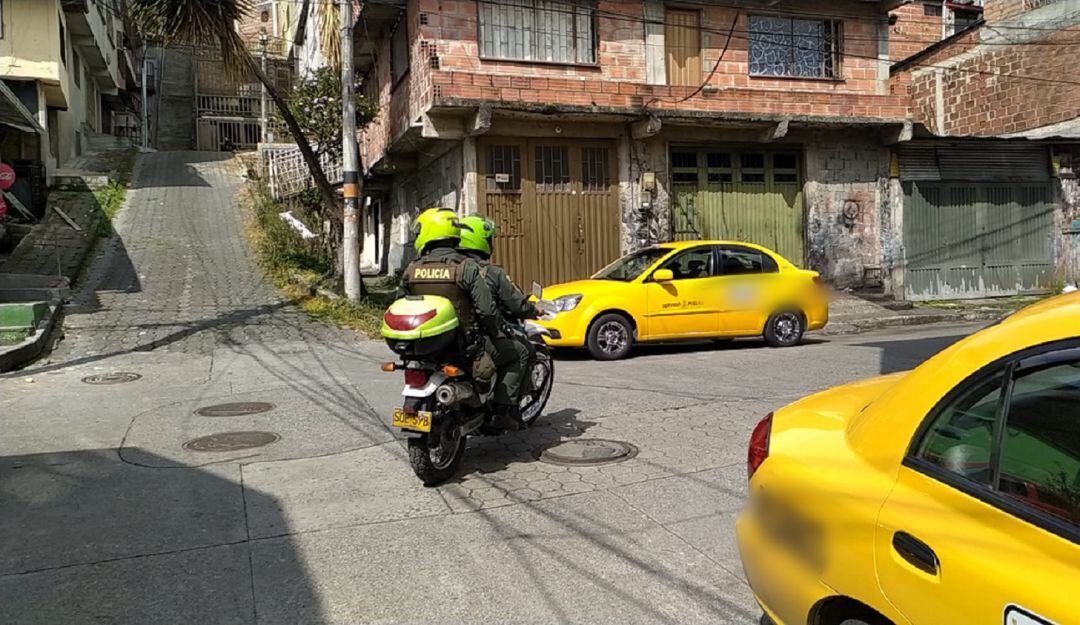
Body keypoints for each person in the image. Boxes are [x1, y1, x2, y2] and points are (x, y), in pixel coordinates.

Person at [400, 208, 521, 431]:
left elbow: (401, 302)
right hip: (463, 345)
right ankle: (502, 413)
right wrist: (496, 332)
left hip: (424, 343)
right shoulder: (466, 268)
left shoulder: (412, 270)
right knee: (517, 354)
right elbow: (486, 311)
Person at [457, 215, 539, 425]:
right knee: (521, 352)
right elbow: (513, 304)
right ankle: (503, 413)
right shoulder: (490, 272)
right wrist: (532, 310)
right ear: (482, 240)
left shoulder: (450, 269)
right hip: (476, 338)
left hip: (449, 339)